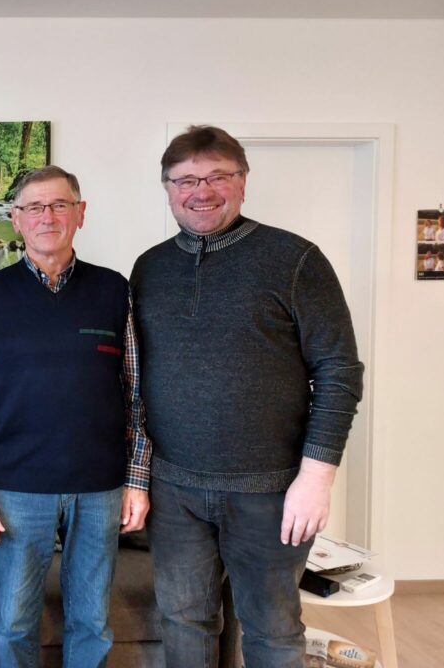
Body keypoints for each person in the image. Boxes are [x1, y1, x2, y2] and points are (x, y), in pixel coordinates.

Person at [130, 125, 364, 668]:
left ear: (242, 181)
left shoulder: (295, 259)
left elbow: (339, 372)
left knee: (273, 631)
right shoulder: (150, 267)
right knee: (184, 621)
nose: (201, 190)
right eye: (185, 179)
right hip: (174, 490)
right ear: (167, 187)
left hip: (272, 491)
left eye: (217, 176)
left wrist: (317, 477)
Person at [0, 165, 151, 667]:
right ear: (15, 220)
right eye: (34, 207)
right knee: (15, 622)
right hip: (17, 488)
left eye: (60, 205)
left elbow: (136, 392)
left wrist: (136, 477)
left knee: (92, 620)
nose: (48, 216)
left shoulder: (114, 290)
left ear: (80, 214)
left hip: (101, 486)